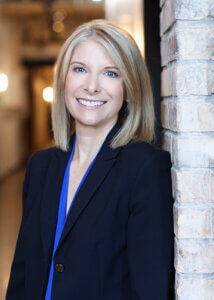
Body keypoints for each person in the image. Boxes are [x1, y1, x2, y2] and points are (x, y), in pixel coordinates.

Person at [6, 19, 174, 300]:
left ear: (129, 87)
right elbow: (23, 276)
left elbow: (149, 290)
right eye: (80, 69)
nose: (92, 86)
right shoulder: (41, 166)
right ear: (64, 80)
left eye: (110, 73)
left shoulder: (145, 168)